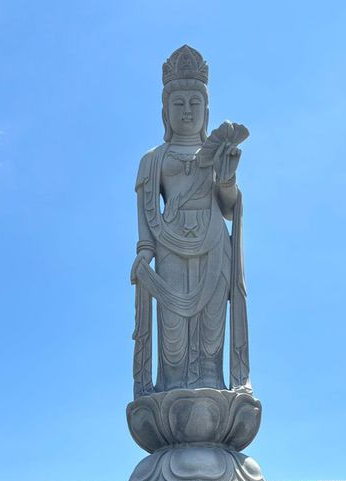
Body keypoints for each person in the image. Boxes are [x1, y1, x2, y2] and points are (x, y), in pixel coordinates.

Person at [131, 45, 250, 398]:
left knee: (211, 334)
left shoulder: (216, 153)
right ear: (165, 112)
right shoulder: (153, 159)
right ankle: (172, 391)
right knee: (174, 334)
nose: (186, 111)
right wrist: (144, 251)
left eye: (194, 103)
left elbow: (229, 208)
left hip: (214, 244)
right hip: (169, 245)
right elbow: (145, 210)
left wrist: (226, 181)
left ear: (206, 111)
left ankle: (213, 391)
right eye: (178, 103)